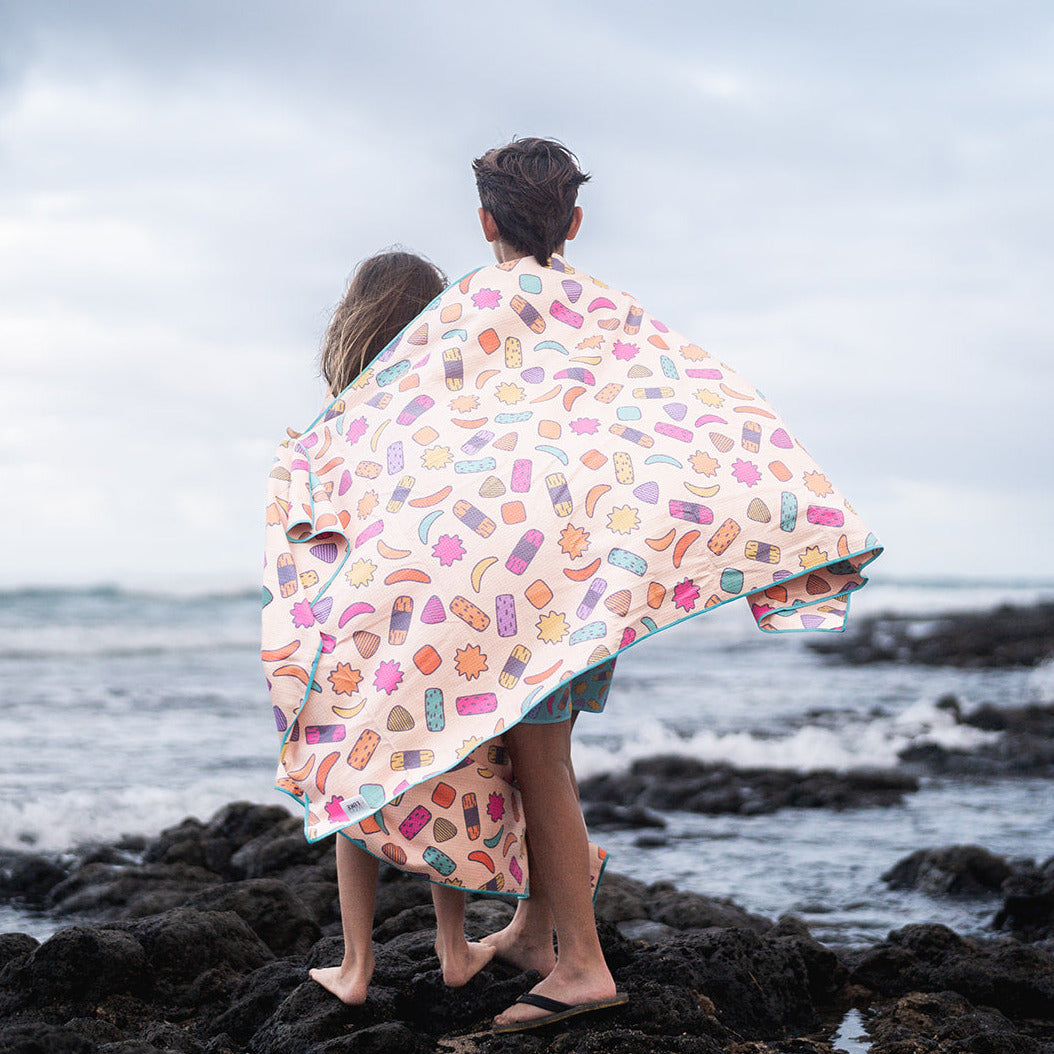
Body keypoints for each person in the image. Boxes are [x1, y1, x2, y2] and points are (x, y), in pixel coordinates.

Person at [306, 250, 499, 1003]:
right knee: (445, 767)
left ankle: (356, 967)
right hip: (440, 617)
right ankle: (453, 948)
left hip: (352, 621)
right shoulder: (449, 401)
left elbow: (315, 530)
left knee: (356, 785)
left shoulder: (338, 410)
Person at [471, 138, 628, 1032]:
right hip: (595, 574)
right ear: (575, 223)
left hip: (507, 586)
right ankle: (536, 930)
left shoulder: (472, 313)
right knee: (549, 759)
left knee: (536, 766)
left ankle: (583, 966)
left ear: (484, 220)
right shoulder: (611, 314)